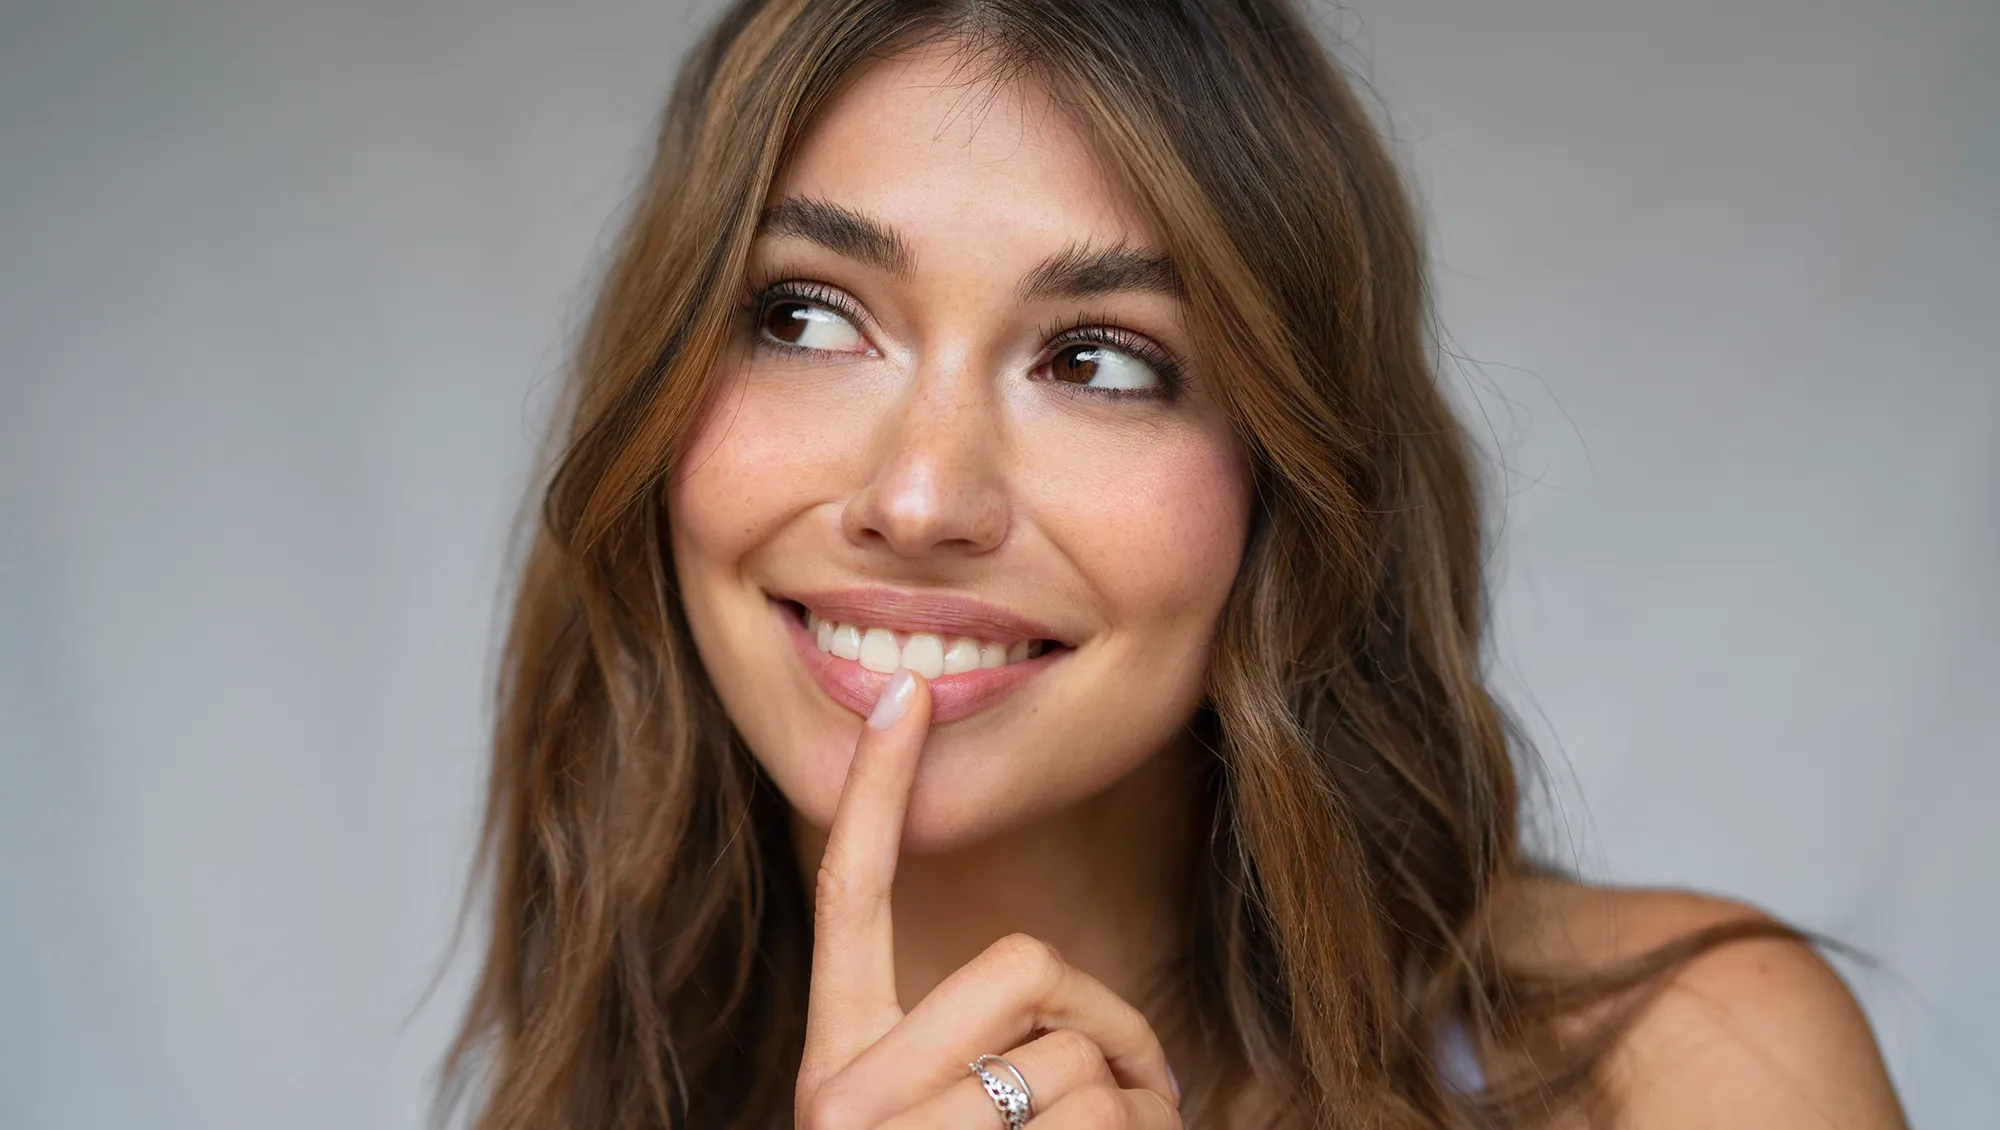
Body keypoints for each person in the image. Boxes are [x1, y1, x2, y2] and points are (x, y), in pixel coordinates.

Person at [441, 1, 1907, 1127]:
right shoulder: (582, 1084)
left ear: (1287, 477)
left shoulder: (1693, 1063)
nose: (922, 494)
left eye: (1098, 359)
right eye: (810, 318)